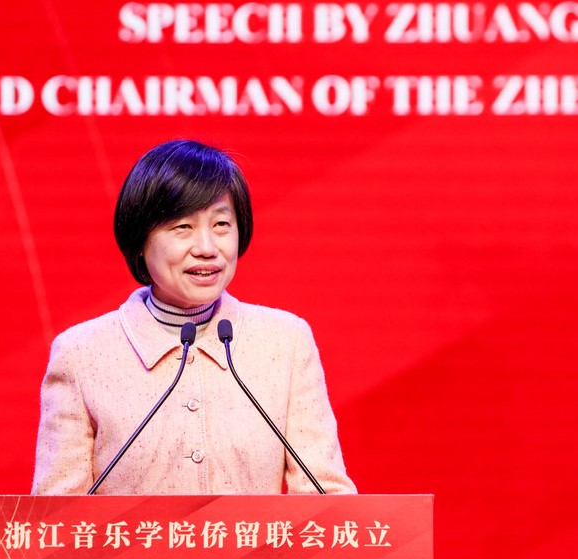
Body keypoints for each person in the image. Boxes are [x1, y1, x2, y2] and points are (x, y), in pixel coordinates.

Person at [32, 139, 355, 495]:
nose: (207, 248)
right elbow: (56, 516)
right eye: (182, 227)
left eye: (221, 224)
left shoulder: (285, 342)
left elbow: (326, 501)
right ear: (140, 240)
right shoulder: (81, 354)